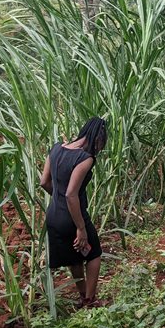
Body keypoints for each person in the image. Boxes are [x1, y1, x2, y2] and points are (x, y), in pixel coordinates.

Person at [40, 117, 107, 308]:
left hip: (54, 215)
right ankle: (90, 299)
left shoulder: (55, 148)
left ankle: (83, 295)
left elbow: (44, 182)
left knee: (75, 254)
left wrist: (59, 200)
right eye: (102, 143)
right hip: (73, 215)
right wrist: (80, 227)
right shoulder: (86, 159)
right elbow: (71, 195)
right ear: (98, 138)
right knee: (93, 253)